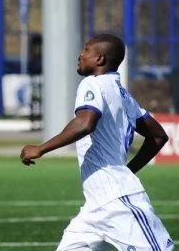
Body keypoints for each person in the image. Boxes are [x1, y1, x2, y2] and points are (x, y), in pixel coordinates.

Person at [20, 34, 174, 251]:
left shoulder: (92, 83)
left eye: (85, 50)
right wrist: (128, 171)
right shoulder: (122, 93)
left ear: (100, 59)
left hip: (119, 202)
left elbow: (85, 123)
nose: (80, 55)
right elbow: (158, 136)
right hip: (94, 208)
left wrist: (41, 149)